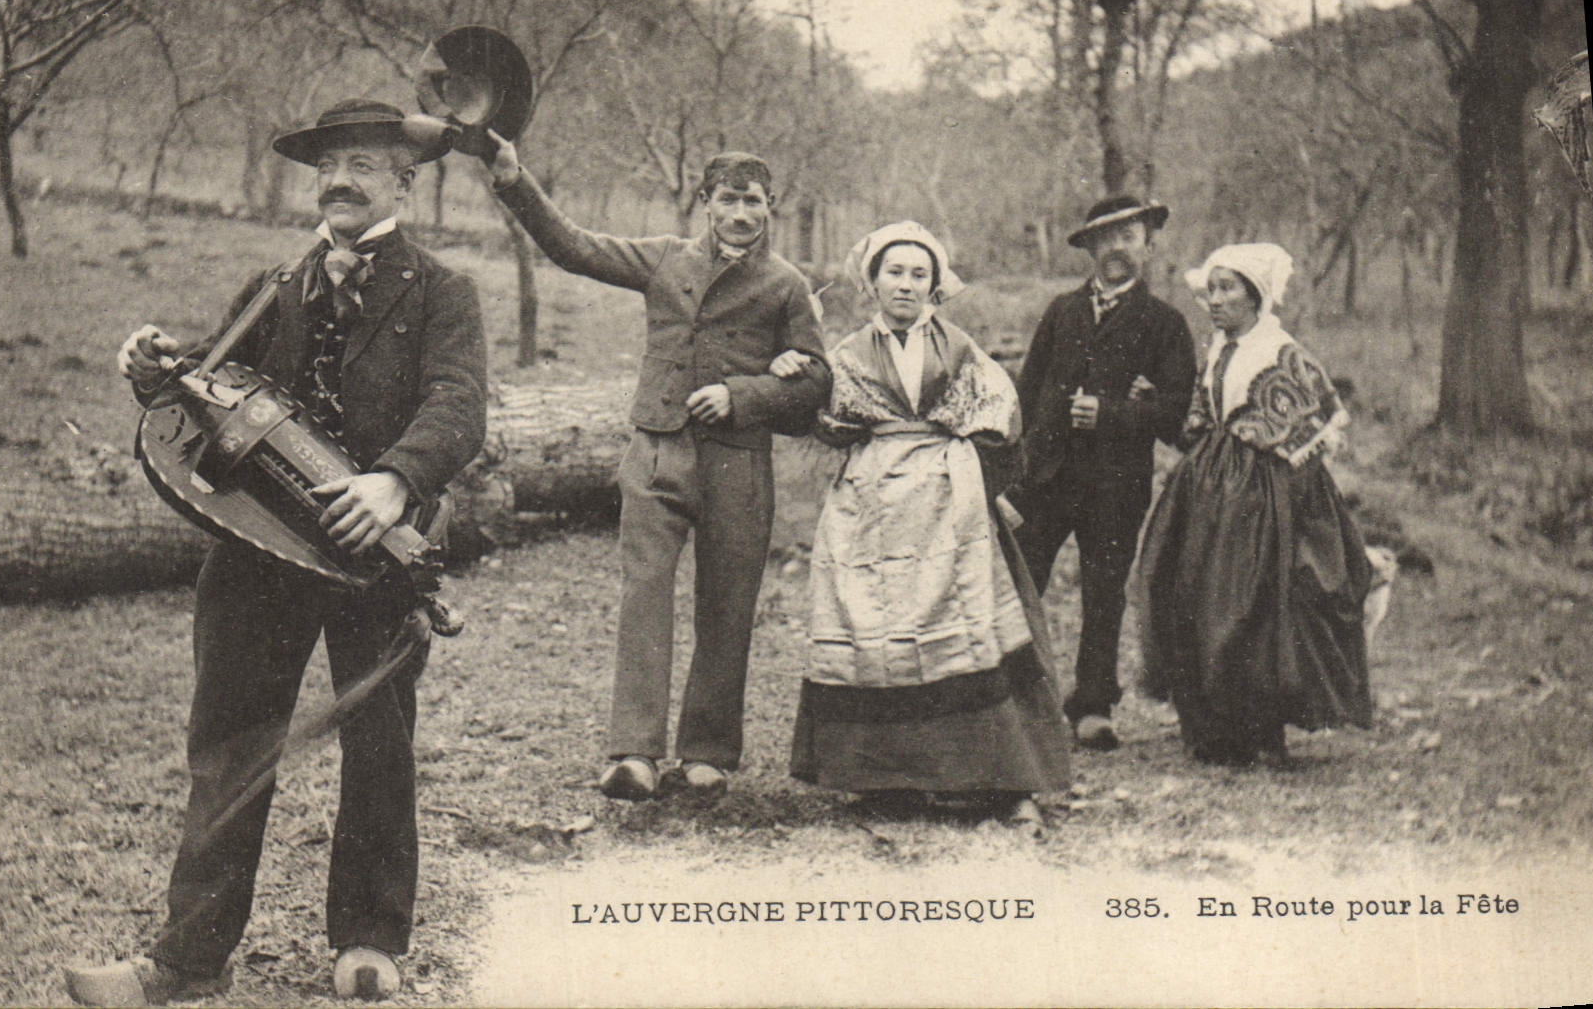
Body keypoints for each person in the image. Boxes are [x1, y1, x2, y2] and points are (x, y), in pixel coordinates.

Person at [68, 100, 487, 1005]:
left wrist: (395, 482)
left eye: (363, 165)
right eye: (329, 165)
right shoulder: (274, 283)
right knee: (229, 743)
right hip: (256, 557)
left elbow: (458, 405)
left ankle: (371, 939)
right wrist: (154, 371)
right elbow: (209, 384)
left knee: (379, 740)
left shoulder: (443, 290)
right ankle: (187, 961)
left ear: (404, 182)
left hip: (377, 555)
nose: (339, 180)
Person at [484, 141, 829, 801]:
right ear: (706, 203)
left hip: (739, 463)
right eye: (727, 199)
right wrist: (515, 182)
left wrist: (746, 395)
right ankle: (633, 753)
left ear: (770, 208)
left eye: (752, 201)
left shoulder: (786, 284)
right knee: (643, 595)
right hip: (657, 449)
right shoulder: (667, 259)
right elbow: (575, 247)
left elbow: (817, 381)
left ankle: (706, 755)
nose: (739, 213)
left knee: (728, 606)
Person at [790, 222, 1073, 825]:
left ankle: (1001, 781)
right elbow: (821, 417)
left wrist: (979, 479)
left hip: (950, 501)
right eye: (895, 272)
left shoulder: (962, 350)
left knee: (967, 628)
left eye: (920, 275)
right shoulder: (845, 356)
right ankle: (886, 780)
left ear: (936, 285)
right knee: (875, 627)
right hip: (869, 504)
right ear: (872, 282)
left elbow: (1001, 413)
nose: (907, 285)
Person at [1139, 243, 1372, 765]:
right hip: (1208, 489)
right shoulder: (1220, 348)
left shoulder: (1278, 350)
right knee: (1194, 595)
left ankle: (1258, 727)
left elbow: (1318, 419)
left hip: (1263, 495)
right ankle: (1215, 728)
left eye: (1228, 289)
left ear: (1256, 295)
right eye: (1211, 289)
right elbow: (1198, 419)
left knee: (1250, 606)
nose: (1215, 300)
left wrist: (1281, 493)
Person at [1009, 196, 1196, 750]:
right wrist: (1016, 467)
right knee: (1019, 583)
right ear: (1089, 248)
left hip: (1116, 485)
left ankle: (1092, 706)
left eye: (1129, 236)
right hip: (1044, 479)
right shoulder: (1060, 311)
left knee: (1104, 592)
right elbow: (1025, 392)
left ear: (1149, 245)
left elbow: (1175, 414)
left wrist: (1114, 413)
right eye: (1105, 238)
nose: (1117, 248)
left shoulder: (1166, 325)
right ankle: (1010, 701)